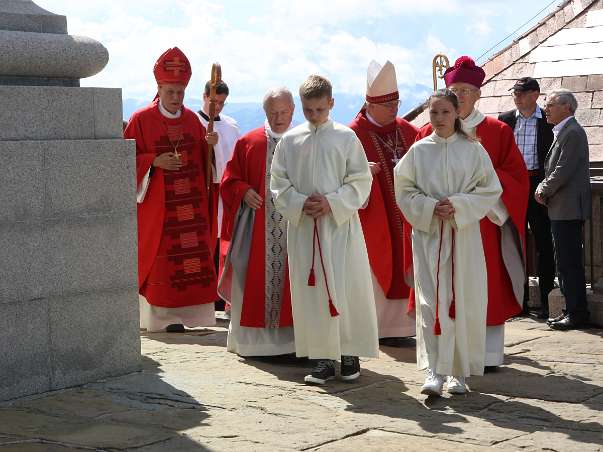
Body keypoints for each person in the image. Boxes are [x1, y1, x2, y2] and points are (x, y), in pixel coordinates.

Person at [417, 56, 529, 371]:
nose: (462, 95)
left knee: (484, 287)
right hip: (439, 225)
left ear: (479, 94)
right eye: (456, 89)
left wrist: (484, 189)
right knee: (442, 289)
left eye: (467, 90)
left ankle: (486, 355)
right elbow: (410, 177)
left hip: (483, 226)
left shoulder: (496, 131)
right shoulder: (428, 131)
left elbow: (516, 178)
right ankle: (441, 355)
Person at [270, 75, 379, 385]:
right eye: (308, 110)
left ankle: (348, 353)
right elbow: (278, 182)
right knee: (312, 293)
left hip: (339, 226)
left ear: (331, 103)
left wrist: (332, 202)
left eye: (319, 109)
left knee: (346, 287)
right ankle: (322, 358)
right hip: (306, 227)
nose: (314, 116)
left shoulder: (346, 138)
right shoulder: (290, 141)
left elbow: (360, 180)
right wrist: (300, 202)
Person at [395, 89, 502, 396]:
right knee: (430, 302)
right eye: (434, 113)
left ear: (456, 113)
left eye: (445, 112)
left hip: (462, 237)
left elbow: (489, 189)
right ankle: (434, 370)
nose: (439, 118)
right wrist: (429, 207)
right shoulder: (418, 151)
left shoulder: (473, 150)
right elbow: (403, 190)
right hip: (429, 236)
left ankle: (458, 371)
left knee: (463, 299)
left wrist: (457, 204)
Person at [125, 47, 217, 333]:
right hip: (159, 208)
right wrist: (153, 161)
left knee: (191, 264)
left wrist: (209, 146)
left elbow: (204, 164)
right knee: (162, 264)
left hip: (189, 207)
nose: (176, 98)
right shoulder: (141, 119)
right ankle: (159, 320)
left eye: (180, 92)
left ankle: (191, 318)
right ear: (159, 88)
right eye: (170, 92)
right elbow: (123, 160)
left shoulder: (192, 120)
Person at [219, 87, 296, 356]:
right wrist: (243, 191)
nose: (278, 118)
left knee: (293, 286)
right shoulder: (249, 142)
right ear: (265, 112)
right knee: (252, 280)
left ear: (293, 110)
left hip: (295, 231)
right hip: (256, 231)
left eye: (283, 112)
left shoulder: (303, 142)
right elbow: (229, 181)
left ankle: (293, 345)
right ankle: (254, 346)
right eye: (273, 113)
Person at [349, 60, 416, 342]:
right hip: (372, 218)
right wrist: (362, 171)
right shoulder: (352, 134)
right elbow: (340, 173)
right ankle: (378, 328)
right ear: (370, 105)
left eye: (397, 103)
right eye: (389, 105)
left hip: (407, 216)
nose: (395, 110)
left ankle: (406, 328)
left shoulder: (409, 132)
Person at [498, 77, 555, 319]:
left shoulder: (548, 122)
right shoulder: (506, 120)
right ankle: (517, 303)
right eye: (515, 93)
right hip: (513, 187)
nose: (517, 97)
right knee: (514, 244)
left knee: (544, 244)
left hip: (538, 186)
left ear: (535, 94)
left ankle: (544, 301)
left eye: (522, 93)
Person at [536, 89, 591, 330]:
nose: (546, 109)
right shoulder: (565, 131)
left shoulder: (573, 132)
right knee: (565, 263)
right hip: (561, 208)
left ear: (567, 107)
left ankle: (577, 312)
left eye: (550, 105)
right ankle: (571, 310)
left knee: (569, 263)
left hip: (568, 208)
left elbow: (563, 169)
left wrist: (542, 189)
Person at [197, 80, 240, 313]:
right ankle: (205, 297)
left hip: (227, 193)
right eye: (214, 102)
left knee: (225, 244)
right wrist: (207, 146)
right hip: (206, 193)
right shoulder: (194, 122)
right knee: (206, 243)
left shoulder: (232, 126)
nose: (217, 108)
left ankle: (222, 297)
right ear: (204, 96)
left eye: (222, 103)